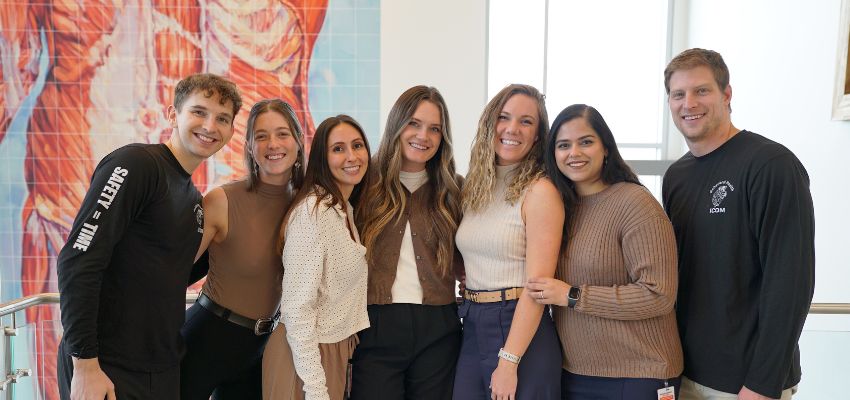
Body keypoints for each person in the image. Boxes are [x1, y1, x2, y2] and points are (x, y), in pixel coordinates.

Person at [56, 73, 242, 399]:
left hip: (160, 367)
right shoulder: (137, 165)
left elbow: (167, 275)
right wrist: (85, 364)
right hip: (106, 364)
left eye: (222, 119)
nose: (210, 126)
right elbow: (78, 259)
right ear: (173, 114)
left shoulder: (194, 200)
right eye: (199, 112)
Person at [661, 48, 815, 400]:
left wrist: (762, 383)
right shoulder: (676, 177)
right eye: (678, 94)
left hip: (747, 384)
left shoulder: (771, 165)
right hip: (684, 373)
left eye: (702, 91)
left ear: (726, 94)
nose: (689, 103)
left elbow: (791, 281)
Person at [527, 104, 683, 399]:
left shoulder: (635, 203)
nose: (574, 153)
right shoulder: (561, 208)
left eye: (586, 142)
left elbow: (659, 294)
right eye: (563, 145)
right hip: (575, 373)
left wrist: (572, 296)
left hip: (641, 374)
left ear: (606, 148)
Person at [179, 99, 306, 399]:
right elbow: (170, 273)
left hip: (260, 348)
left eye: (282, 134)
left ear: (299, 142)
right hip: (206, 339)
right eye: (261, 136)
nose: (272, 144)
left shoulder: (307, 205)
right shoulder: (221, 201)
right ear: (249, 146)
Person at [350, 86, 464, 399]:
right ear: (397, 125)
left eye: (434, 129)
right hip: (373, 324)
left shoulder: (454, 191)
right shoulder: (363, 183)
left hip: (439, 327)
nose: (423, 136)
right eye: (414, 123)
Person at [453, 84, 564, 400]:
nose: (512, 128)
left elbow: (538, 287)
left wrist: (509, 360)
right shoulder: (475, 186)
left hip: (518, 325)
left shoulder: (540, 192)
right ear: (490, 123)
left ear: (538, 135)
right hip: (473, 320)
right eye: (504, 117)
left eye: (526, 121)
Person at [278, 115, 371, 400]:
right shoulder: (314, 213)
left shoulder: (344, 210)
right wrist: (316, 389)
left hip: (331, 349)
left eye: (357, 145)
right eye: (338, 149)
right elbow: (296, 309)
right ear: (321, 157)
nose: (351, 156)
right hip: (306, 357)